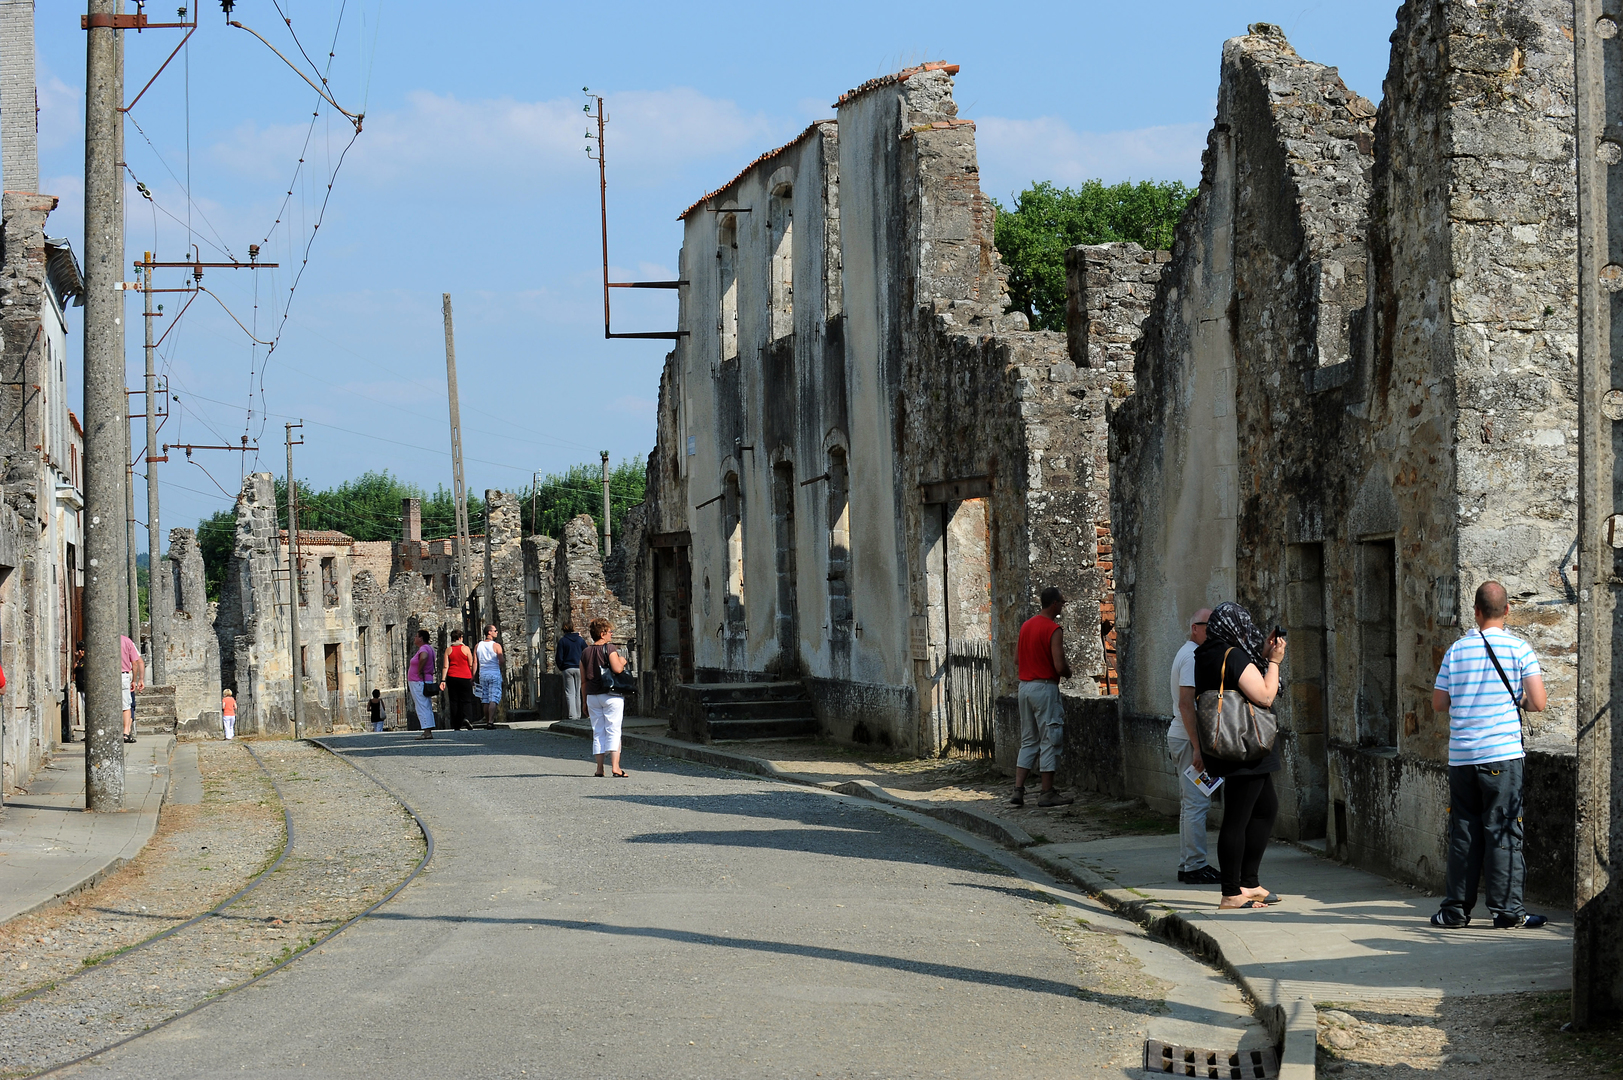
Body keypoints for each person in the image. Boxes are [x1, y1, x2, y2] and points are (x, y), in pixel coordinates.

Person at [1430, 581, 1549, 930]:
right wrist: (1518, 700)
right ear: (1508, 610)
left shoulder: (1456, 651)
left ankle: (1454, 911)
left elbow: (1439, 702)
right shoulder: (1520, 649)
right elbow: (1538, 703)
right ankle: (1507, 911)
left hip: (1462, 757)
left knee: (1464, 832)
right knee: (1503, 830)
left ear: (1476, 611)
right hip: (1502, 754)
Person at [1195, 602, 1286, 910]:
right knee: (1238, 816)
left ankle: (1249, 882)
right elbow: (1264, 695)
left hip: (1231, 741)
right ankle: (1232, 892)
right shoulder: (1232, 655)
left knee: (1265, 808)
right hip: (1244, 743)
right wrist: (1273, 662)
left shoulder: (1207, 653)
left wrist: (1259, 655)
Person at [1010, 587, 1075, 808]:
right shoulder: (1053, 629)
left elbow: (1017, 660)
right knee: (1050, 738)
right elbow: (1059, 666)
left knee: (1028, 739)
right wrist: (1068, 671)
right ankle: (1047, 791)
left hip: (1024, 687)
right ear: (1054, 604)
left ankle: (1018, 789)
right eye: (1062, 602)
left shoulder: (1026, 626)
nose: (1063, 606)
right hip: (1044, 687)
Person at [1170, 608, 1220, 884]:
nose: (1211, 631)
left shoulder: (1189, 653)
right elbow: (1186, 704)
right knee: (1197, 804)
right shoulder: (1191, 656)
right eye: (1206, 625)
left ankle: (1189, 863)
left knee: (1191, 803)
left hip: (1185, 737)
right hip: (1188, 738)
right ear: (1194, 628)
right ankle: (1195, 866)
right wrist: (1198, 747)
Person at [582, 617, 629, 777]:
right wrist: (622, 661)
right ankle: (615, 767)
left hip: (592, 695)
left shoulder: (585, 652)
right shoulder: (610, 648)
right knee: (613, 729)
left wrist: (584, 702)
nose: (611, 634)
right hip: (611, 694)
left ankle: (599, 768)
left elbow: (583, 680)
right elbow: (616, 669)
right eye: (610, 632)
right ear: (602, 634)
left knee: (598, 731)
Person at [442, 630, 476, 730]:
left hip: (452, 677)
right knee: (466, 699)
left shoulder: (448, 650)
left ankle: (456, 724)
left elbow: (445, 666)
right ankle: (467, 718)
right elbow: (470, 664)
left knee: (454, 701)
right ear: (461, 637)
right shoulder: (465, 649)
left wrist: (443, 680)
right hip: (465, 676)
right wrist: (473, 676)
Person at [408, 630, 438, 741]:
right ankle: (427, 729)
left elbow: (424, 657)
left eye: (416, 636)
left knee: (421, 705)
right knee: (425, 704)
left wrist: (419, 670)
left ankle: (427, 731)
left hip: (419, 680)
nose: (414, 638)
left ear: (421, 638)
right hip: (424, 680)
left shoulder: (424, 649)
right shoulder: (429, 648)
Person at [555, 621, 587, 720]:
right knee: (578, 692)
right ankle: (578, 714)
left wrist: (562, 667)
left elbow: (559, 657)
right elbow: (586, 652)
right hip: (579, 667)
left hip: (567, 668)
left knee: (570, 693)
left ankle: (572, 715)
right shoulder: (580, 640)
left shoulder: (562, 641)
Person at [474, 624, 504, 728]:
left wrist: (473, 676)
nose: (497, 632)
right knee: (493, 698)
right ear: (489, 632)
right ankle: (490, 721)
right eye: (495, 630)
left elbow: (475, 662)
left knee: (485, 698)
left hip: (483, 674)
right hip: (494, 673)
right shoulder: (496, 646)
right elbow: (501, 660)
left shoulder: (478, 646)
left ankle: (487, 720)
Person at [120, 634, 145, 744]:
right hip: (124, 675)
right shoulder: (126, 641)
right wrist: (135, 680)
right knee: (126, 706)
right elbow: (136, 663)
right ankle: (125, 732)